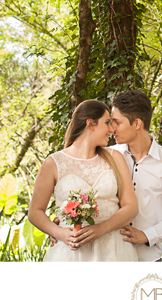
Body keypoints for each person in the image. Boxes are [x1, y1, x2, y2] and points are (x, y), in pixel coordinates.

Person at [29, 99, 138, 262]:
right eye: (107, 122)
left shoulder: (115, 158)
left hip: (114, 251)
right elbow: (35, 212)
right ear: (90, 124)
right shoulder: (53, 163)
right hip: (70, 252)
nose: (111, 129)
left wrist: (101, 229)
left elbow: (131, 207)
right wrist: (59, 233)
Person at [109, 89, 162, 262]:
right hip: (110, 256)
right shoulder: (107, 156)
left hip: (147, 259)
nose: (112, 128)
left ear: (137, 124)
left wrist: (147, 235)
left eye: (117, 122)